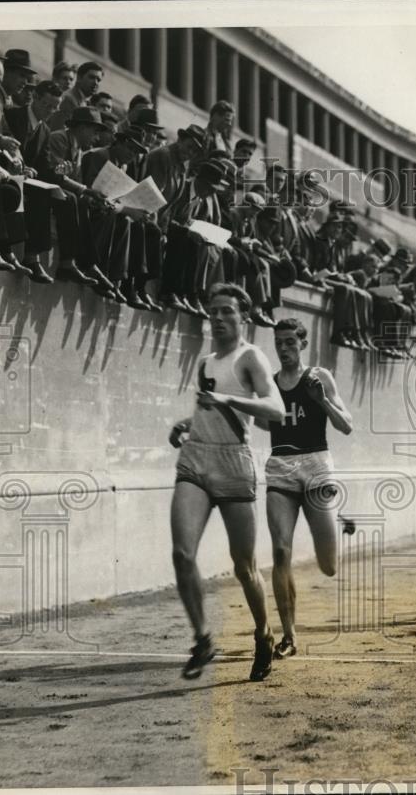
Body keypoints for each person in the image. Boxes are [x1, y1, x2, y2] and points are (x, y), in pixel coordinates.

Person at [167, 283, 286, 682]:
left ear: (243, 317)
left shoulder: (251, 357)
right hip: (196, 459)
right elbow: (210, 407)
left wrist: (231, 402)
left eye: (226, 312)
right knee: (183, 554)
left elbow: (275, 410)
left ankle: (264, 633)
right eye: (213, 312)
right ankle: (202, 639)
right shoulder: (204, 362)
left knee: (244, 566)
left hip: (235, 465)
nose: (217, 318)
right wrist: (187, 424)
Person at [257, 318, 354, 659]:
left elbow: (347, 426)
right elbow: (260, 420)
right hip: (281, 468)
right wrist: (259, 403)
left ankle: (334, 517)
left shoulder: (319, 376)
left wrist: (321, 400)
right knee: (280, 551)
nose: (283, 349)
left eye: (289, 342)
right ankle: (289, 635)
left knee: (329, 566)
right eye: (278, 343)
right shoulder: (270, 383)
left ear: (302, 343)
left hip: (316, 468)